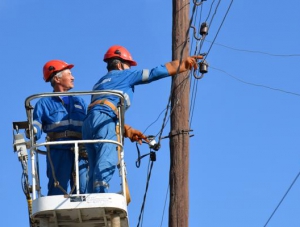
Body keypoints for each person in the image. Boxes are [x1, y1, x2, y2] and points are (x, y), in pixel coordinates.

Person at [82, 45, 202, 193]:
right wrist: (184, 64)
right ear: (119, 64)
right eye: (128, 65)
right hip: (105, 119)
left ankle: (92, 195)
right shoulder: (124, 75)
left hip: (89, 124)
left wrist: (127, 130)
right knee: (108, 156)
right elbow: (154, 73)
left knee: (94, 163)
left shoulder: (99, 83)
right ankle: (100, 195)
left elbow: (100, 113)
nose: (129, 68)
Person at [31, 60, 88, 196]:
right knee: (57, 188)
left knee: (84, 188)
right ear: (57, 78)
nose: (73, 77)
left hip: (80, 149)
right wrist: (32, 131)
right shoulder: (44, 102)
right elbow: (36, 124)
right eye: (69, 74)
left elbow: (88, 124)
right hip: (58, 149)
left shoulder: (79, 102)